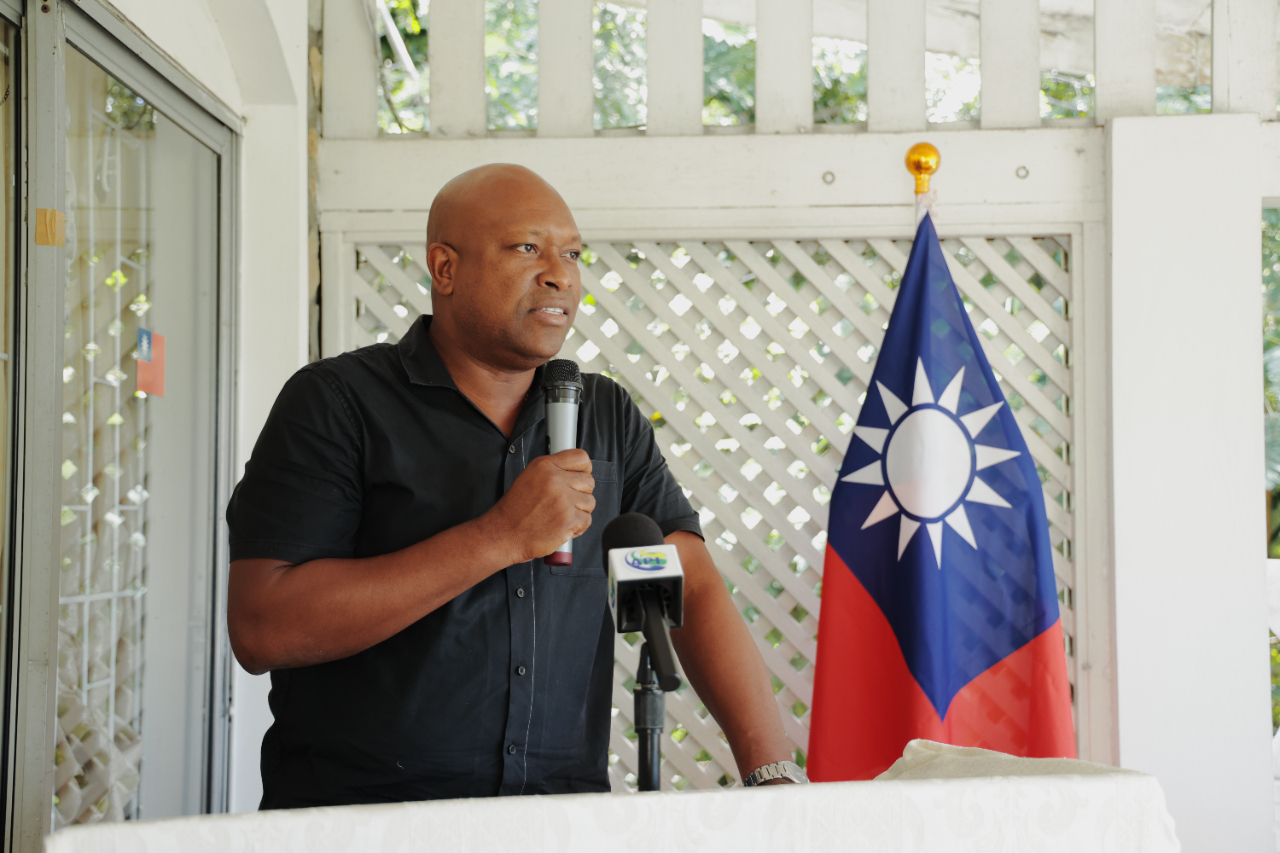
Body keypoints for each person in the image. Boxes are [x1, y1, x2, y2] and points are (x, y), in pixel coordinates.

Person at [226, 164, 798, 808]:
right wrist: (498, 537)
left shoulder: (604, 418)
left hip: (558, 819)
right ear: (445, 268)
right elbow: (263, 627)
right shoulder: (339, 404)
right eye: (528, 248)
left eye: (572, 254)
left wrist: (772, 777)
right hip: (366, 821)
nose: (560, 275)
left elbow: (686, 585)